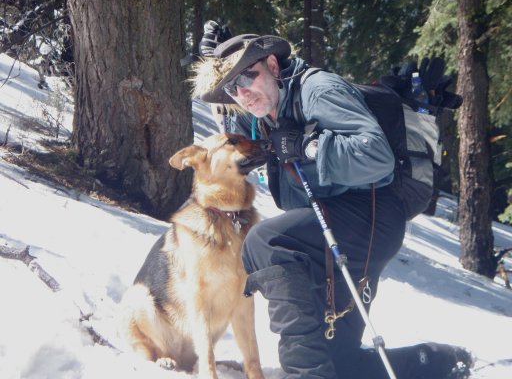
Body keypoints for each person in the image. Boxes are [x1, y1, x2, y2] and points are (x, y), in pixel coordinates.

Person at [191, 34, 472, 379]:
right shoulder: (273, 112)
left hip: (373, 215)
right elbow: (286, 188)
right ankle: (440, 362)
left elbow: (376, 157)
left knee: (265, 242)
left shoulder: (318, 90)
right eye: (233, 88)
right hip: (340, 225)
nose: (243, 93)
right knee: (340, 363)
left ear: (273, 65)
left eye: (247, 77)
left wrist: (308, 148)